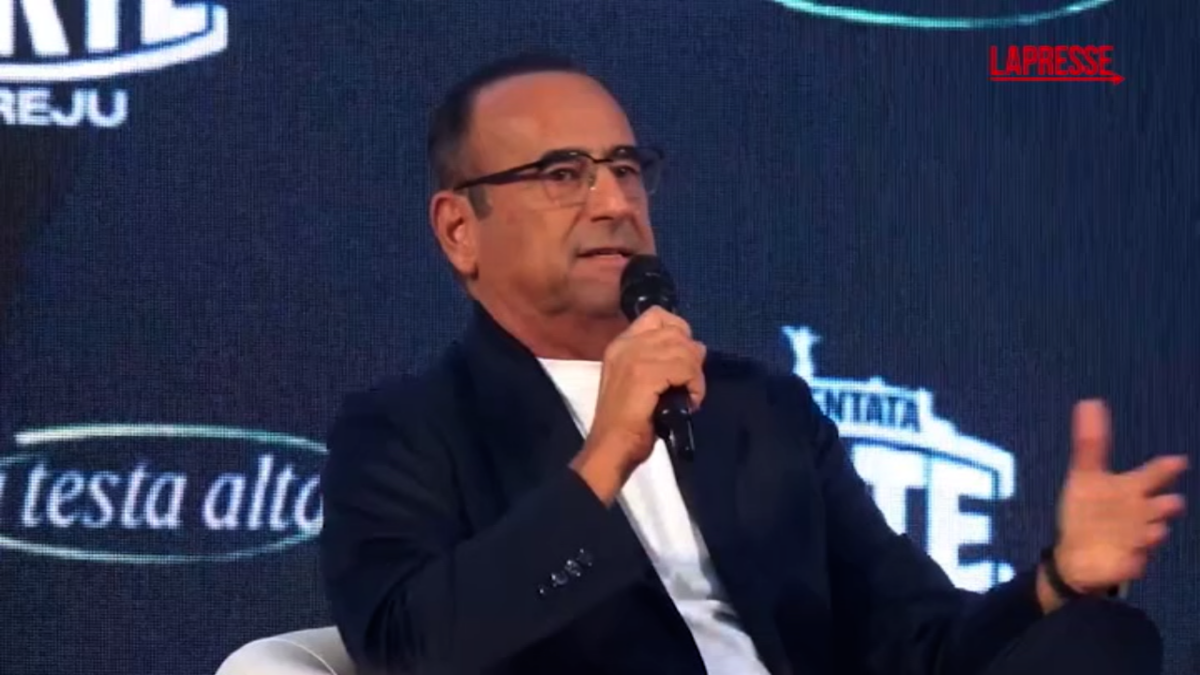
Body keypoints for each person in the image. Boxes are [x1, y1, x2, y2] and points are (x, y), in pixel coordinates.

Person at [319, 52, 1188, 675]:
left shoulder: (758, 409)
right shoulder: (404, 430)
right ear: (459, 230)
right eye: (562, 174)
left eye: (626, 167)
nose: (615, 200)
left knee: (1102, 636)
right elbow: (410, 649)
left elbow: (918, 641)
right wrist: (605, 456)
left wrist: (1053, 582)